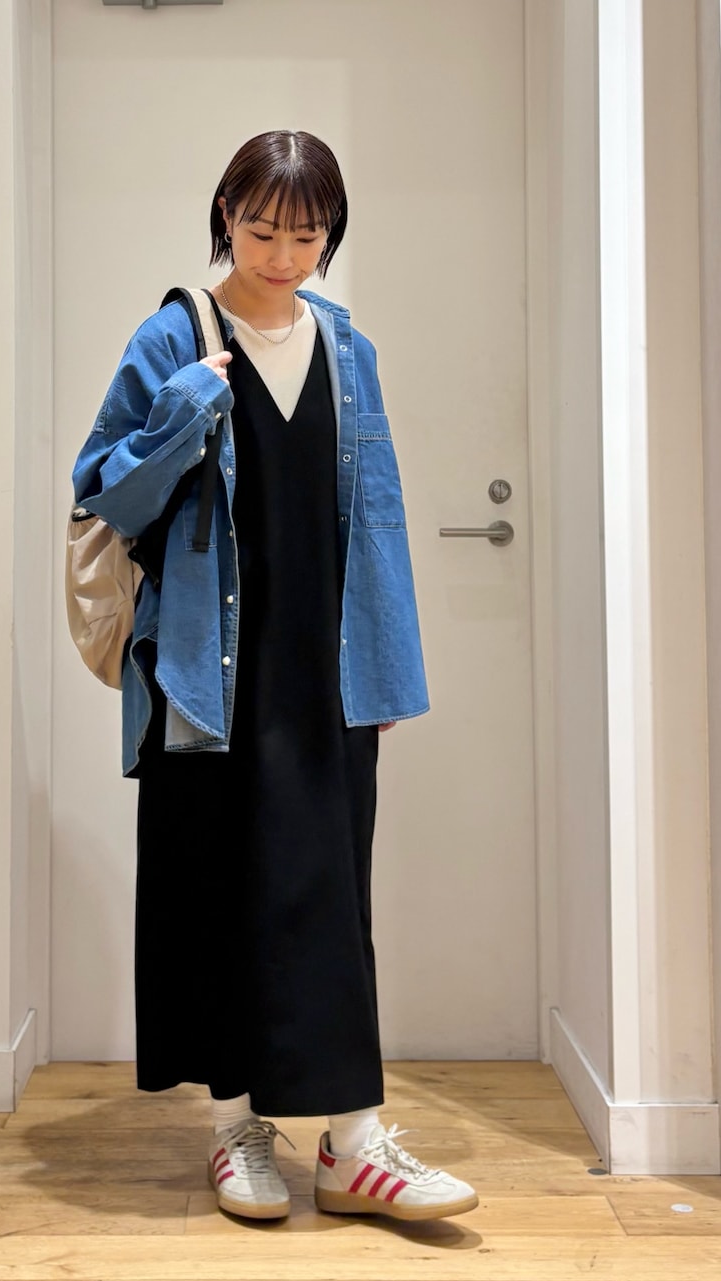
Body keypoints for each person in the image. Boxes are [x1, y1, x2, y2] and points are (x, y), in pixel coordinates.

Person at [71, 130, 478, 1224]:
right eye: (262, 231)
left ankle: (354, 1145)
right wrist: (180, 415)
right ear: (225, 216)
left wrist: (384, 669)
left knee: (328, 898)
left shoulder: (347, 348)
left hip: (325, 671)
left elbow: (378, 515)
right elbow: (104, 493)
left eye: (306, 236)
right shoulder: (175, 334)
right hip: (205, 674)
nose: (283, 257)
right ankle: (233, 1127)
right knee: (212, 894)